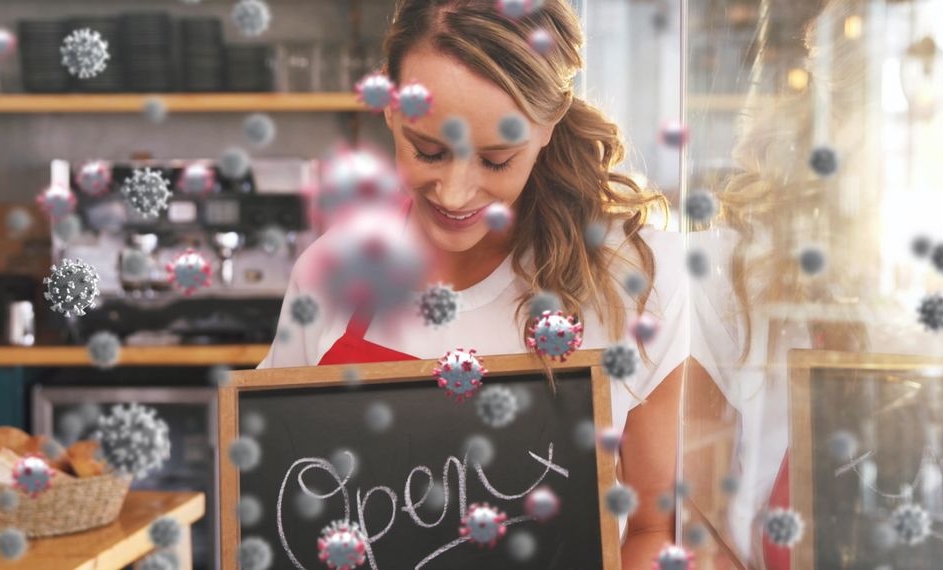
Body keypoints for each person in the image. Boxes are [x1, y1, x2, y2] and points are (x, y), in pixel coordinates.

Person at [257, 0, 690, 565]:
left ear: (548, 125)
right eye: (428, 150)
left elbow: (655, 529)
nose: (456, 194)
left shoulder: (637, 279)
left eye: (496, 159)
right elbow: (276, 507)